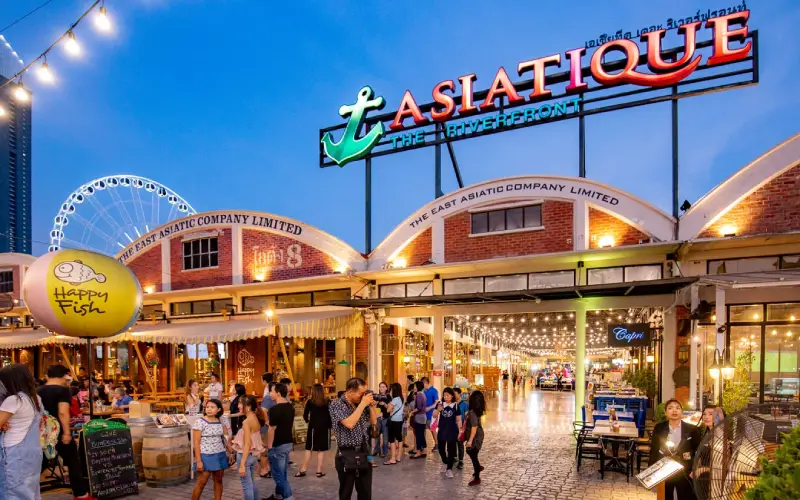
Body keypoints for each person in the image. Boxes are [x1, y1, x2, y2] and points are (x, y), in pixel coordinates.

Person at [37, 365, 90, 499]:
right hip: (59, 432)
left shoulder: (37, 390)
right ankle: (81, 494)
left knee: (40, 463)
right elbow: (63, 412)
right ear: (64, 375)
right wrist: (66, 433)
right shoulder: (63, 391)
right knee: (73, 462)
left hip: (41, 433)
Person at [0, 364, 45, 500]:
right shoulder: (35, 398)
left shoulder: (13, 400)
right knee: (30, 491)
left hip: (14, 452)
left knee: (12, 491)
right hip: (33, 452)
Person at [329, 377, 377, 500]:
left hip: (364, 450)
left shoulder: (361, 404)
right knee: (346, 492)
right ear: (350, 391)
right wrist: (363, 404)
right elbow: (350, 423)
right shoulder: (337, 404)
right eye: (361, 394)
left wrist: (371, 406)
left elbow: (373, 422)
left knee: (366, 492)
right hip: (346, 453)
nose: (363, 397)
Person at [649, 399, 698, 500]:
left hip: (685, 470)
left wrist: (694, 469)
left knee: (685, 496)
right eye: (670, 408)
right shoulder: (659, 427)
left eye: (677, 408)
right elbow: (654, 448)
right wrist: (651, 470)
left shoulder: (692, 429)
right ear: (666, 412)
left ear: (681, 412)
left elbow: (697, 450)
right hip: (665, 469)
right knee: (665, 496)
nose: (674, 411)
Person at [191, 399, 231, 500]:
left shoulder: (220, 421)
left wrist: (230, 452)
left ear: (218, 409)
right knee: (202, 483)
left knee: (218, 480)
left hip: (220, 454)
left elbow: (225, 437)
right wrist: (199, 461)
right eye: (207, 407)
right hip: (205, 455)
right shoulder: (200, 422)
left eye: (212, 407)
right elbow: (196, 443)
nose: (209, 409)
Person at [232, 395, 265, 500]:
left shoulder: (246, 422)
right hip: (253, 455)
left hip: (245, 456)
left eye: (240, 403)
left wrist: (242, 464)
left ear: (248, 406)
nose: (238, 406)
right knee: (251, 483)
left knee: (247, 486)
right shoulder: (256, 417)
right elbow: (256, 440)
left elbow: (247, 444)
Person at [266, 382, 294, 500]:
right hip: (288, 443)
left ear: (278, 393)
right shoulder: (290, 406)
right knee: (282, 472)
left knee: (279, 475)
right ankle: (278, 496)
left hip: (278, 445)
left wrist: (269, 447)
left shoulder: (274, 409)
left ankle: (288, 497)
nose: (269, 394)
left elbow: (271, 429)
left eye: (271, 391)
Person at [297, 383, 331, 478]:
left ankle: (303, 469)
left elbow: (305, 415)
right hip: (325, 428)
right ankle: (319, 471)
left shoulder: (310, 401)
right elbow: (331, 414)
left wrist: (308, 421)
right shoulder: (327, 400)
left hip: (313, 427)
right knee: (321, 450)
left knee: (309, 448)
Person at [691, 405, 725, 497]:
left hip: (715, 482)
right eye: (704, 414)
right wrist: (696, 469)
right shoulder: (706, 434)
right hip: (703, 479)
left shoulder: (722, 436)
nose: (706, 417)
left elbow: (725, 464)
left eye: (711, 414)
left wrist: (705, 469)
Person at [434, 387, 462, 478]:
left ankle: (449, 469)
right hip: (442, 430)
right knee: (441, 449)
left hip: (452, 431)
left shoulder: (456, 405)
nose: (446, 397)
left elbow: (458, 419)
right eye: (444, 395)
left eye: (448, 395)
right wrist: (438, 410)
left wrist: (460, 430)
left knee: (451, 450)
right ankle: (445, 462)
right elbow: (434, 415)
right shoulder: (440, 404)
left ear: (452, 396)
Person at [464, 390, 486, 486]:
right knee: (471, 452)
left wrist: (470, 440)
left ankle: (477, 477)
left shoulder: (473, 412)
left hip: (476, 436)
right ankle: (478, 467)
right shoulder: (476, 411)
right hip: (478, 435)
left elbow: (474, 427)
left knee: (472, 453)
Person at [259, 381, 276, 479]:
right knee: (264, 450)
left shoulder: (275, 398)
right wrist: (266, 421)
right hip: (266, 429)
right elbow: (263, 410)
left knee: (269, 449)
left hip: (271, 428)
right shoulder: (268, 398)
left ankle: (268, 468)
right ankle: (263, 470)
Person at [385, 382, 405, 465]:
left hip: (393, 421)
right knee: (399, 438)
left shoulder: (395, 399)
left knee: (391, 439)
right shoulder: (401, 398)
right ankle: (398, 456)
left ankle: (393, 458)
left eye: (391, 389)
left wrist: (388, 405)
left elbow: (388, 410)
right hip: (399, 420)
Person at [410, 381, 428, 459]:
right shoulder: (423, 394)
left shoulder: (419, 395)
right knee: (421, 435)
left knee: (419, 435)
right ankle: (424, 451)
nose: (414, 388)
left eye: (415, 386)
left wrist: (412, 412)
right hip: (422, 417)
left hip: (419, 417)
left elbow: (419, 408)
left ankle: (418, 452)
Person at [372, 382, 390, 458]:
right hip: (378, 419)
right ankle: (376, 450)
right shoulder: (377, 396)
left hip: (385, 419)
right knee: (377, 436)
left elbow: (390, 408)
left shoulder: (388, 396)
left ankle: (384, 452)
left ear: (386, 388)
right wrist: (375, 403)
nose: (382, 388)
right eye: (380, 387)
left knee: (385, 437)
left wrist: (384, 404)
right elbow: (374, 408)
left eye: (383, 387)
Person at [422, 377, 439, 451]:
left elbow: (436, 402)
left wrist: (429, 408)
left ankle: (437, 444)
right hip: (424, 414)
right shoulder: (424, 391)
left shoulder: (434, 390)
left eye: (423, 384)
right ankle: (422, 445)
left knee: (432, 429)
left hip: (431, 414)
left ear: (426, 383)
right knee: (423, 429)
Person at [453, 387, 469, 469]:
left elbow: (466, 417)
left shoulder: (465, 404)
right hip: (452, 427)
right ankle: (454, 457)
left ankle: (461, 461)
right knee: (452, 443)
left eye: (455, 394)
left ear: (459, 394)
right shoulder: (451, 403)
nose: (454, 396)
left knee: (460, 444)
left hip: (461, 428)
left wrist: (463, 428)